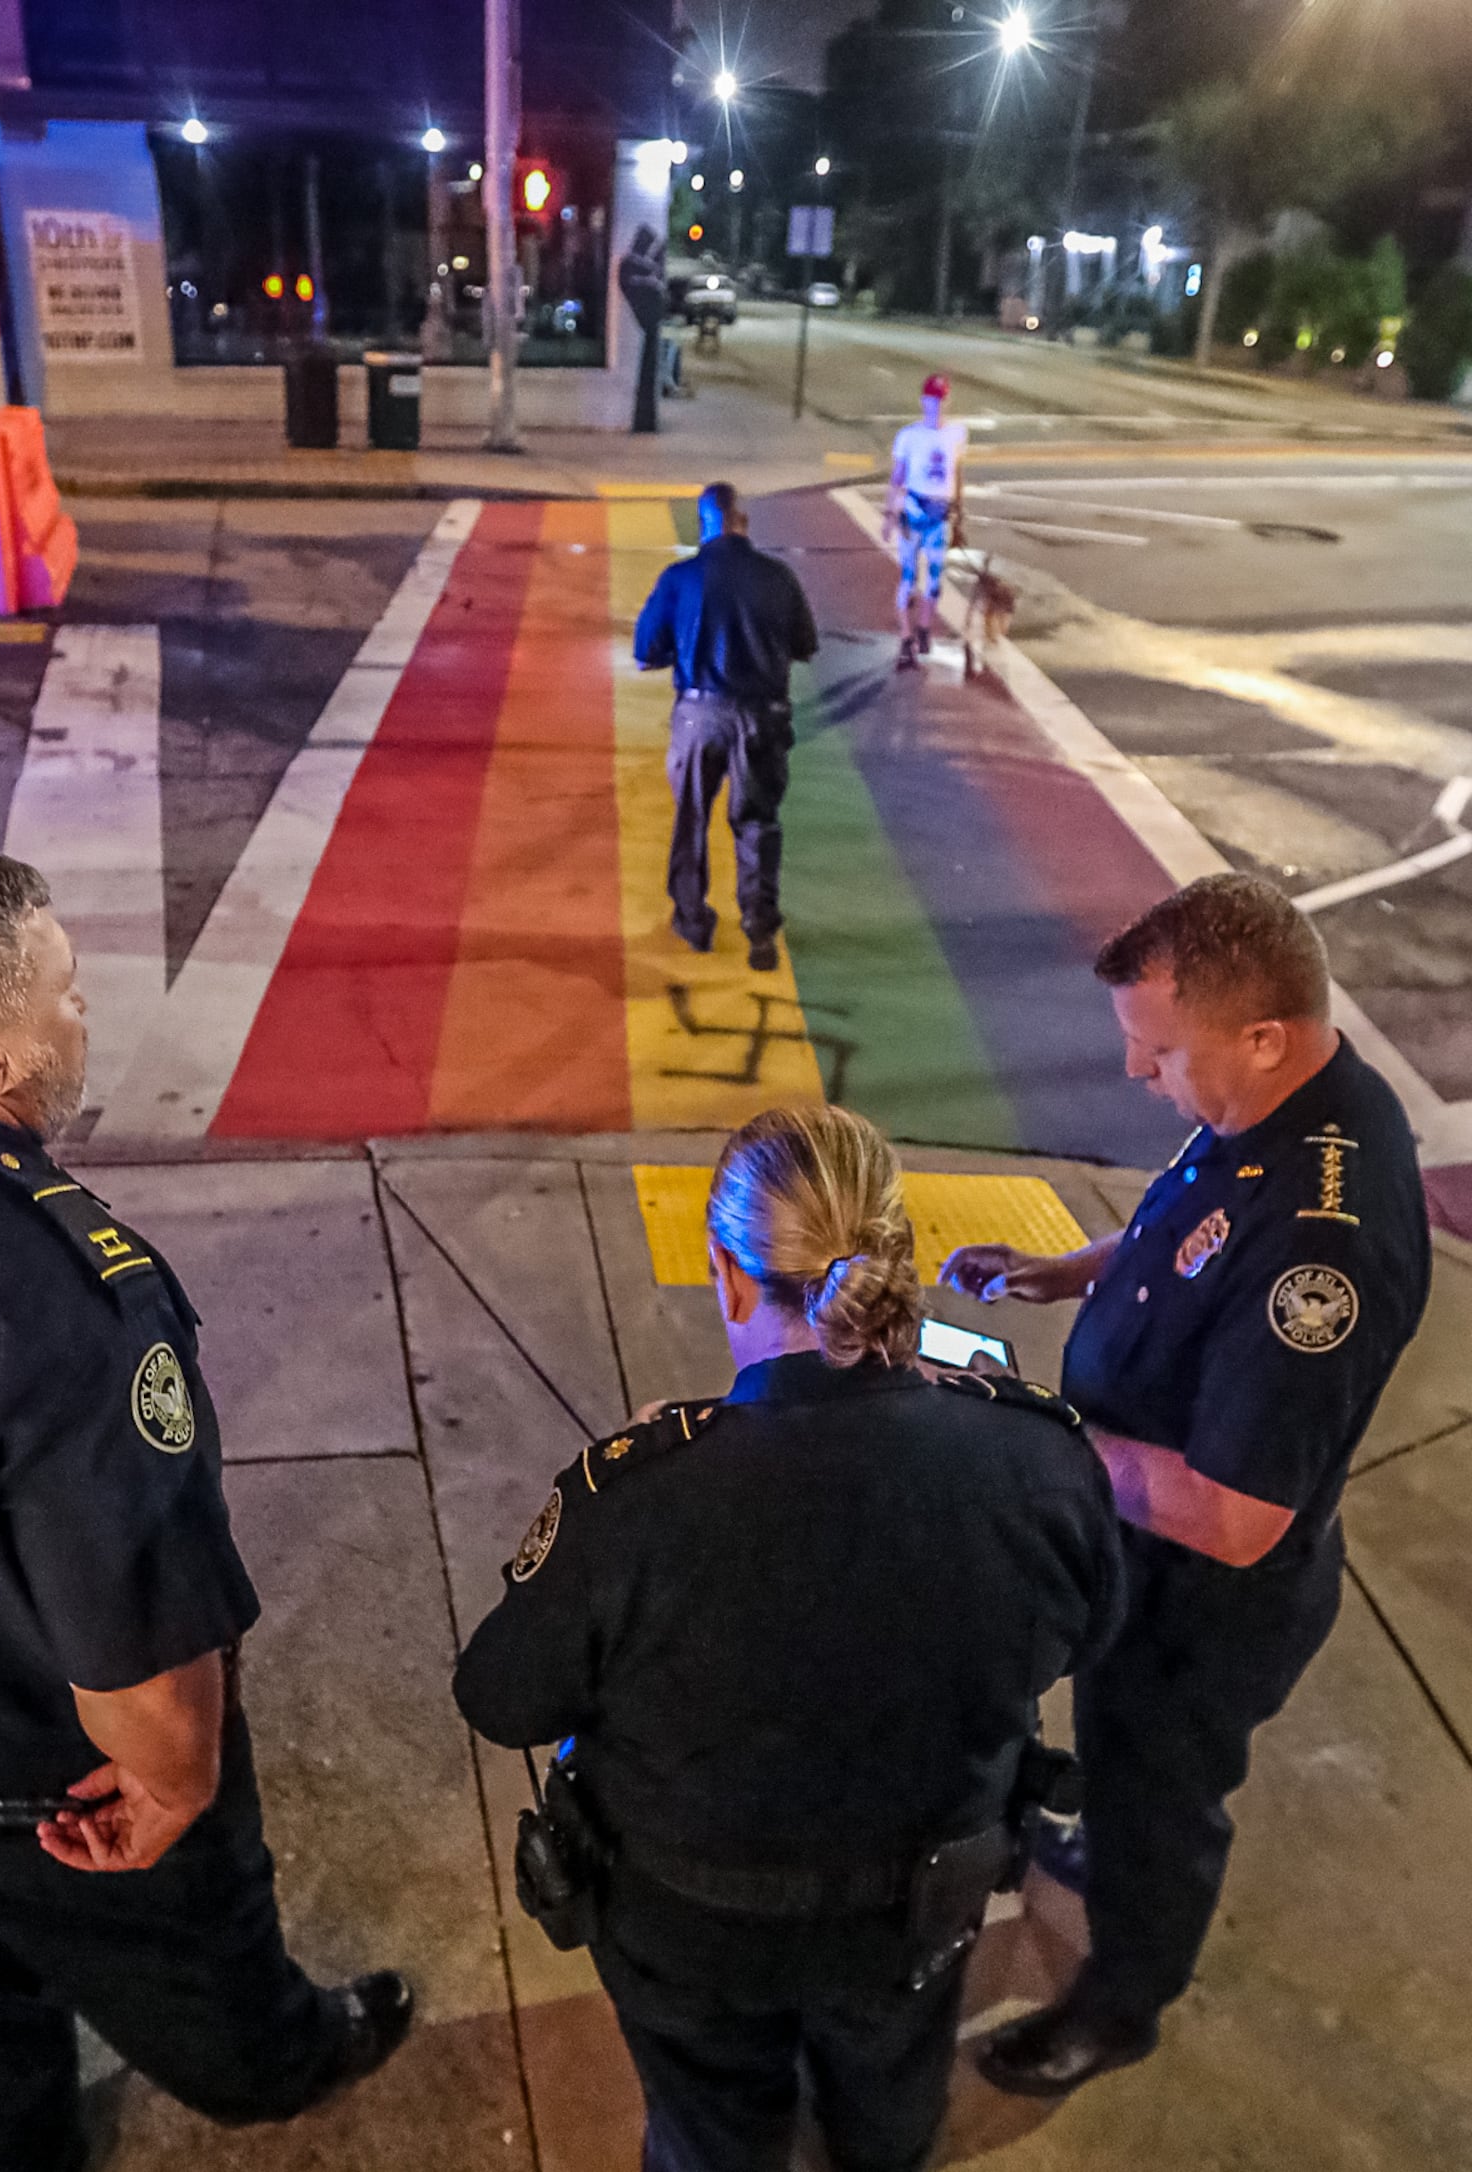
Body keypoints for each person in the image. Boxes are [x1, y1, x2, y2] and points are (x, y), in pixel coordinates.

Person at [0, 844, 412, 2171]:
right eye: (67, 992)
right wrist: (171, 1788)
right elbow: (141, 1646)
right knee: (203, 1969)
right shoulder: (63, 1301)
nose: (85, 1014)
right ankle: (278, 2060)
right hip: (49, 1785)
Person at [455, 1104, 1124, 2172]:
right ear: (895, 1257)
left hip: (687, 1930)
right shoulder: (1038, 1461)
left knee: (711, 2125)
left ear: (728, 1275)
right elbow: (1090, 1635)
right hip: (917, 1914)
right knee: (892, 2098)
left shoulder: (637, 1499)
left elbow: (500, 1700)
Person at [940, 873, 1432, 2095]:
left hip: (1198, 1608)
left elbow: (1232, 1512)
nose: (1131, 1076)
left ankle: (1120, 2001)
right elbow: (1187, 1225)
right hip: (1136, 1554)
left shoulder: (1327, 1245)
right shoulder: (1269, 1109)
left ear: (1263, 1036)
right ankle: (1100, 1840)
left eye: (1154, 1053)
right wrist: (1067, 1272)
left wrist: (1042, 1439)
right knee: (1114, 1762)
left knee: (1161, 1792)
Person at [633, 481, 819, 973]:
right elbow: (805, 643)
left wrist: (684, 649)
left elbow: (644, 650)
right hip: (762, 715)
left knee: (692, 814)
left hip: (700, 714)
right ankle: (759, 926)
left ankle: (694, 920)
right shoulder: (778, 577)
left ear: (704, 524)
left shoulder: (680, 578)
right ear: (742, 521)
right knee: (757, 820)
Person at [882, 375, 967, 673]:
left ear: (947, 401)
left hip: (940, 518)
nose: (936, 404)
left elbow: (956, 474)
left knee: (934, 581)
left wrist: (959, 513)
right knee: (908, 577)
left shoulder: (957, 434)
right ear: (923, 400)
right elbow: (898, 476)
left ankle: (924, 627)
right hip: (914, 513)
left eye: (941, 398)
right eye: (932, 398)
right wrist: (889, 514)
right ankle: (906, 639)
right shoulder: (909, 436)